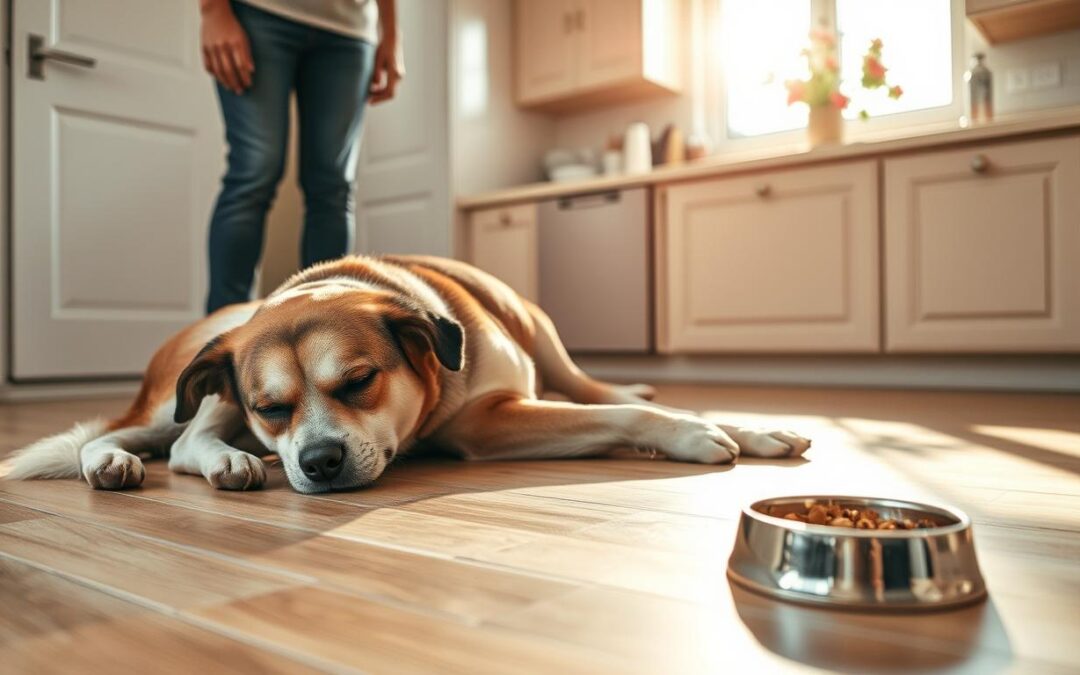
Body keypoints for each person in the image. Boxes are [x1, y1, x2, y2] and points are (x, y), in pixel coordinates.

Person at [199, 0, 403, 313]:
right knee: (254, 173)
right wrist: (214, 10)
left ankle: (327, 324)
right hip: (259, 13)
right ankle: (223, 330)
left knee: (334, 187)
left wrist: (391, 35)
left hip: (350, 30)